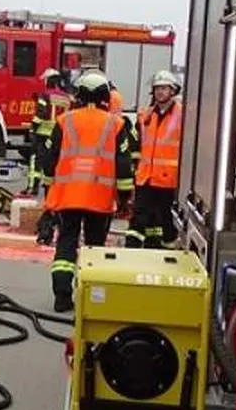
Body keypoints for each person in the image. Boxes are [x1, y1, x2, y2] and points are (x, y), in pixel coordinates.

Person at [43, 70, 134, 312]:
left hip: (67, 197)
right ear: (105, 95)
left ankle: (62, 297)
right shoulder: (116, 124)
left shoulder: (65, 121)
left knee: (66, 244)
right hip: (99, 198)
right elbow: (124, 165)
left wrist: (48, 196)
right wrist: (125, 199)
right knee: (95, 248)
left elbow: (49, 161)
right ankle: (93, 300)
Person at [130, 70, 183, 249]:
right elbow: (138, 145)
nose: (160, 92)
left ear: (173, 91)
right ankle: (132, 249)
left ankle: (164, 247)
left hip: (168, 180)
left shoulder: (182, 116)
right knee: (139, 215)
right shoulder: (147, 116)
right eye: (157, 88)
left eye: (164, 88)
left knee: (163, 218)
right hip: (146, 176)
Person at [28, 68, 70, 197]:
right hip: (60, 135)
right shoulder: (66, 97)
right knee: (56, 162)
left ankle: (33, 187)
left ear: (49, 81)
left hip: (43, 134)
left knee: (36, 160)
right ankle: (55, 188)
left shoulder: (45, 95)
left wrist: (32, 129)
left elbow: (40, 114)